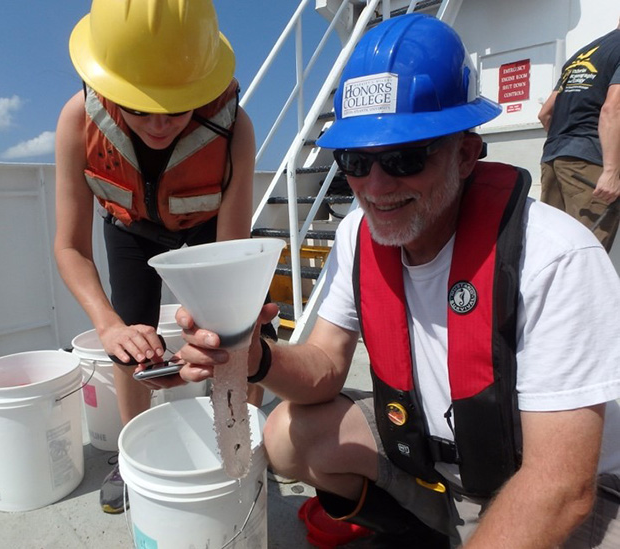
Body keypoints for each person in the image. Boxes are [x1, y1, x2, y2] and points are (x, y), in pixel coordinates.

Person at [174, 14, 620, 548]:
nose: (376, 186)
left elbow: (560, 485)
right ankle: (423, 533)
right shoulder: (358, 234)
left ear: (465, 152)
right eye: (356, 162)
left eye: (405, 158)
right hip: (438, 464)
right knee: (289, 435)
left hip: (553, 486)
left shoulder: (556, 257)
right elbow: (323, 366)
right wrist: (254, 357)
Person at [54, 0, 271, 514]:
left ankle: (242, 441)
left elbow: (230, 258)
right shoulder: (75, 120)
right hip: (130, 227)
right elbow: (69, 247)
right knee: (130, 338)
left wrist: (221, 328)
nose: (158, 125)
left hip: (207, 226)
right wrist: (108, 327)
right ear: (109, 89)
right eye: (137, 108)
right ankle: (133, 457)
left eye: (176, 108)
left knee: (237, 331)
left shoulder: (235, 128)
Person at [538, 18, 620, 251]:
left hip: (554, 159)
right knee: (587, 255)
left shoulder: (584, 53)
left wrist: (566, 146)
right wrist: (612, 172)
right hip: (589, 165)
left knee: (552, 250)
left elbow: (545, 113)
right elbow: (613, 109)